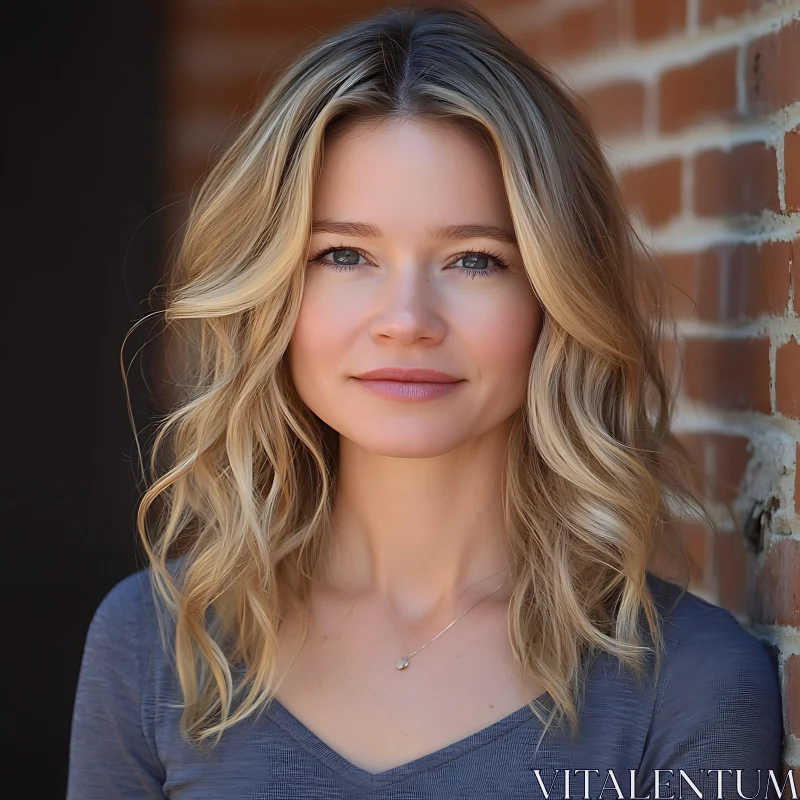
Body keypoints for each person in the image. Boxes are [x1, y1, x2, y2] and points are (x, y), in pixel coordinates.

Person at [66, 3, 784, 798]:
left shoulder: (691, 684)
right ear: (271, 291)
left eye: (474, 260)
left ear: (557, 296)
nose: (406, 320)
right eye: (345, 254)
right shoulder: (157, 645)